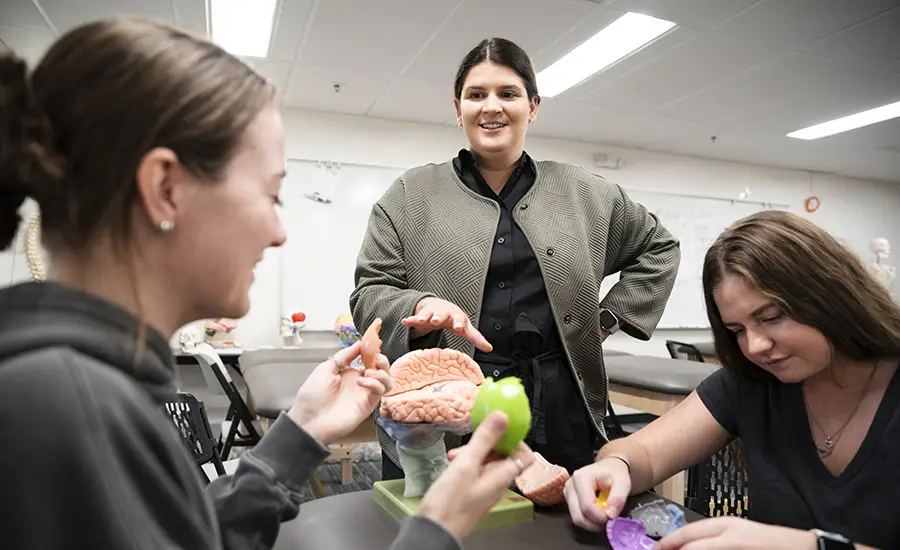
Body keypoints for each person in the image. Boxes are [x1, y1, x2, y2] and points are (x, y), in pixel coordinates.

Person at [0, 17, 533, 550]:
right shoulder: (60, 408)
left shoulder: (95, 385)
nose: (279, 233)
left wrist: (300, 431)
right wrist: (434, 531)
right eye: (270, 195)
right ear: (165, 189)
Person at [350, 37, 680, 481]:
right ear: (457, 108)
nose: (492, 107)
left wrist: (605, 320)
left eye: (508, 94)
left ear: (533, 107)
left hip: (560, 402)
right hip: (446, 402)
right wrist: (417, 306)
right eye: (476, 94)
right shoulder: (410, 195)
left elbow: (658, 248)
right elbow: (370, 292)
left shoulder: (587, 194)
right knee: (446, 529)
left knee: (561, 519)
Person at [564, 210, 900, 550]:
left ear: (832, 294)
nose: (755, 346)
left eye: (771, 317)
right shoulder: (750, 383)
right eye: (736, 330)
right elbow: (645, 454)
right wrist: (615, 466)